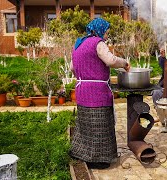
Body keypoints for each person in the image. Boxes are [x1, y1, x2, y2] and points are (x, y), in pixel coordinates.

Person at [69, 18, 130, 169]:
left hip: (82, 90)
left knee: (86, 125)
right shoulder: (98, 43)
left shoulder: (79, 43)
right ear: (99, 30)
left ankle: (82, 153)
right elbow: (110, 60)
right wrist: (124, 63)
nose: (106, 36)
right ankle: (98, 160)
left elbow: (72, 67)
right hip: (97, 92)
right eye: (106, 32)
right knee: (99, 126)